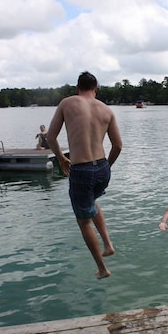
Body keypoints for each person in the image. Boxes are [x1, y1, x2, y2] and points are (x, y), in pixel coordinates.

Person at [47, 71, 122, 280]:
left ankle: (102, 268)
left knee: (83, 221)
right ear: (96, 88)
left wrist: (61, 158)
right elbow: (118, 145)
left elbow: (51, 137)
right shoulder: (106, 110)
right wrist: (107, 166)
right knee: (92, 200)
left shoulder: (67, 103)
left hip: (81, 169)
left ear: (77, 88)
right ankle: (107, 244)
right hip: (102, 168)